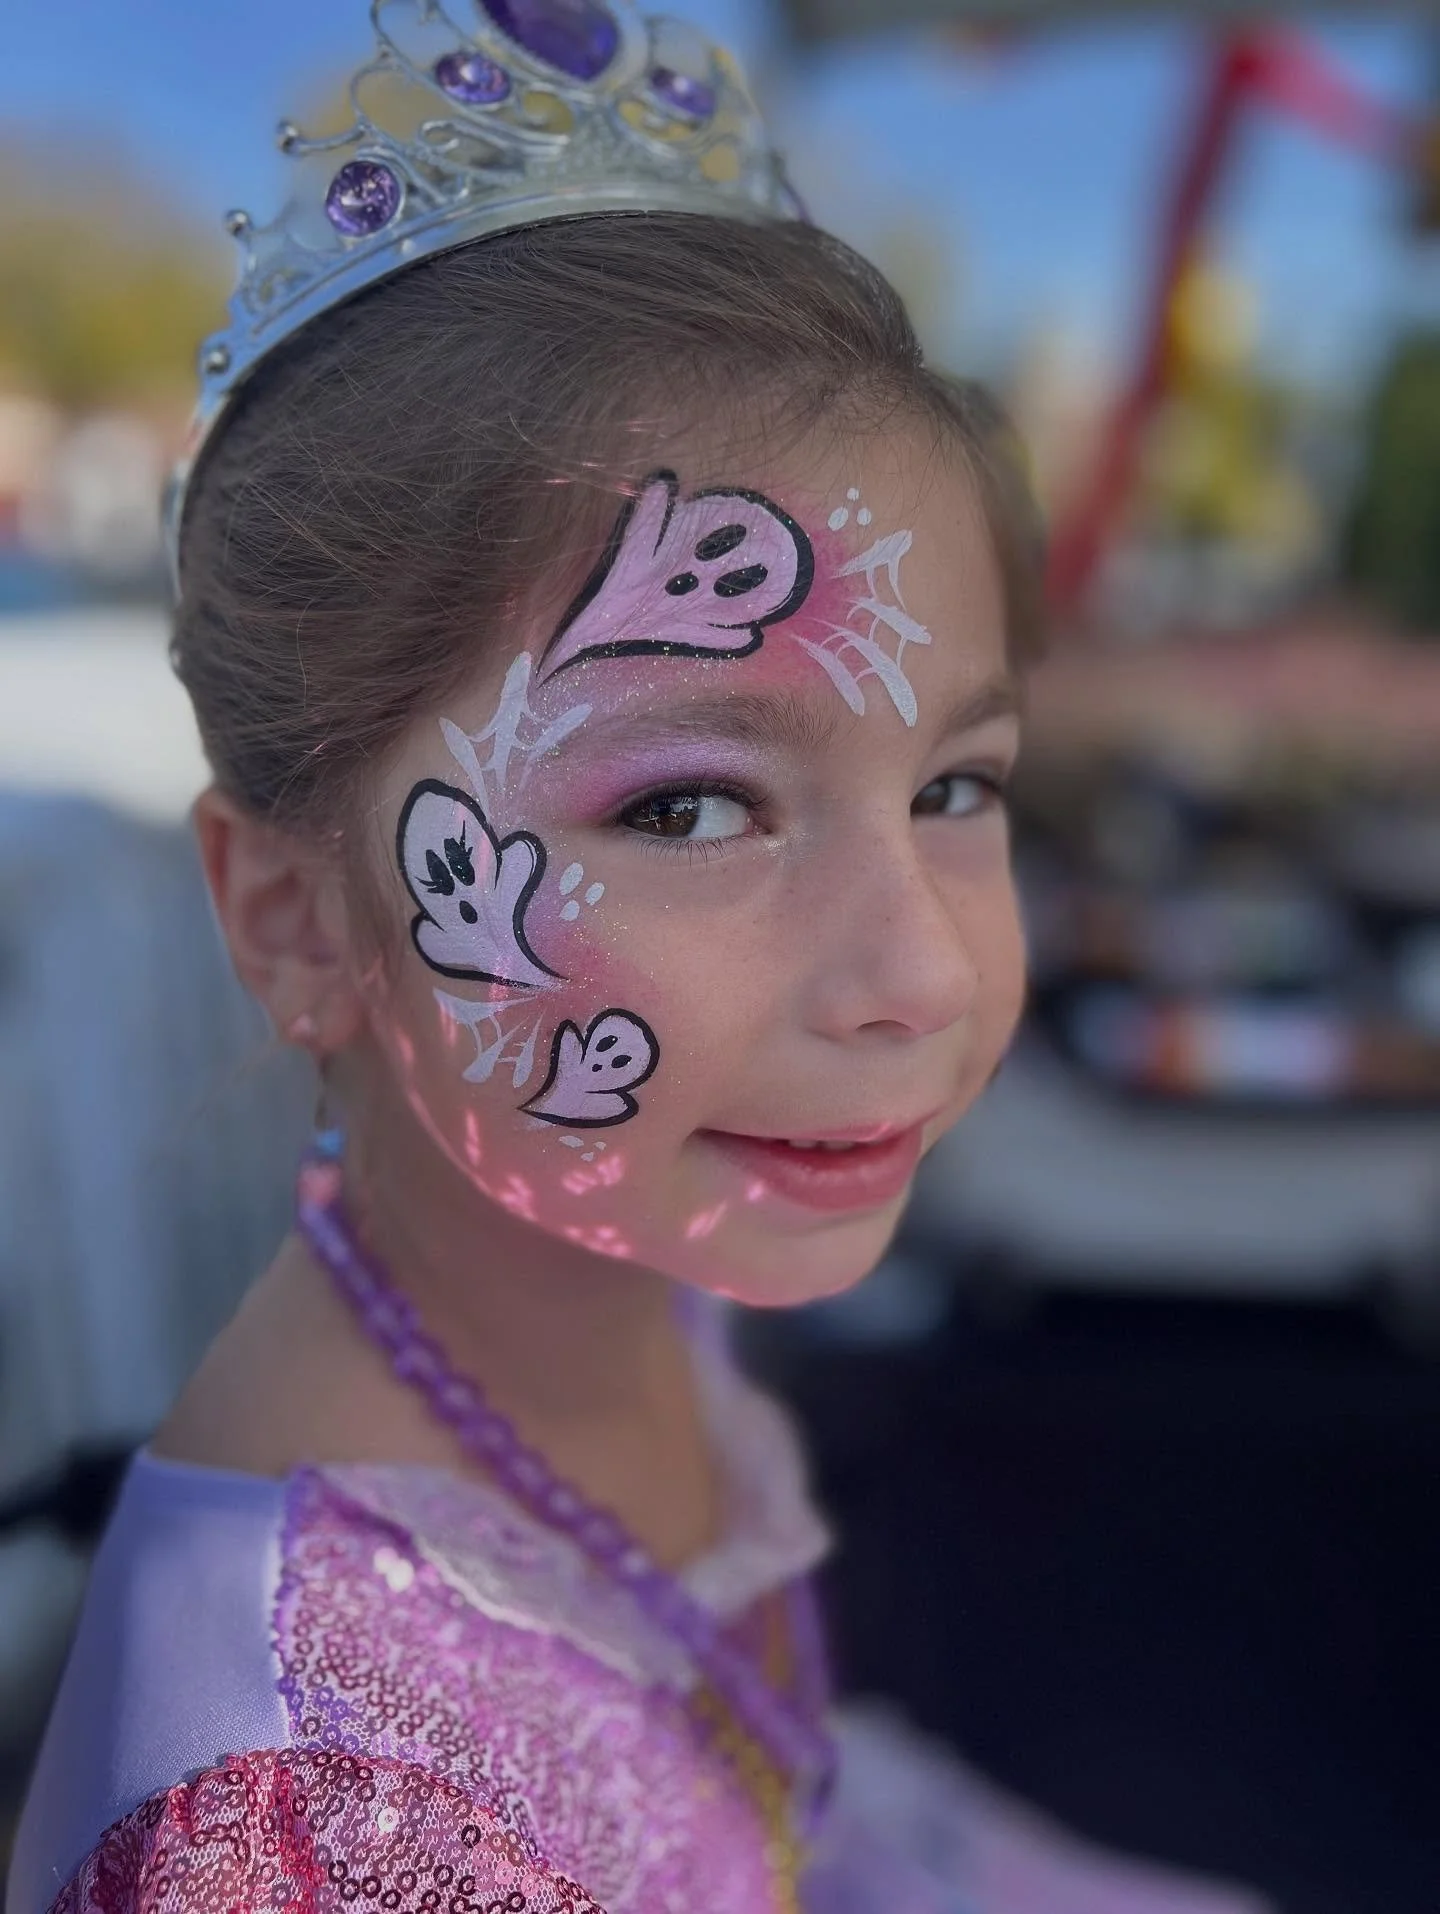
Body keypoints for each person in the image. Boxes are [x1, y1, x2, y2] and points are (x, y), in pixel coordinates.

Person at [6, 5, 1273, 1911]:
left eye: (959, 783)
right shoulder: (314, 1817)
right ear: (296, 916)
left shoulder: (614, 1283)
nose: (918, 972)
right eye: (687, 810)